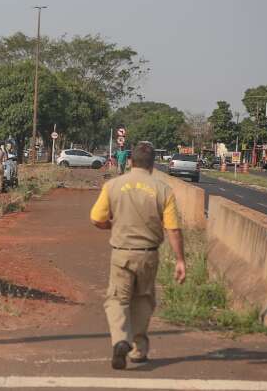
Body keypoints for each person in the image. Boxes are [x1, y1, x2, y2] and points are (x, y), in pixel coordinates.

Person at [90, 141, 186, 370]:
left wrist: (111, 225)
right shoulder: (163, 190)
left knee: (117, 299)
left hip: (121, 254)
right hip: (149, 255)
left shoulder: (113, 186)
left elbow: (96, 218)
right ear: (152, 165)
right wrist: (181, 260)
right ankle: (138, 349)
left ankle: (120, 340)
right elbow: (172, 229)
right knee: (143, 299)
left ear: (131, 161)